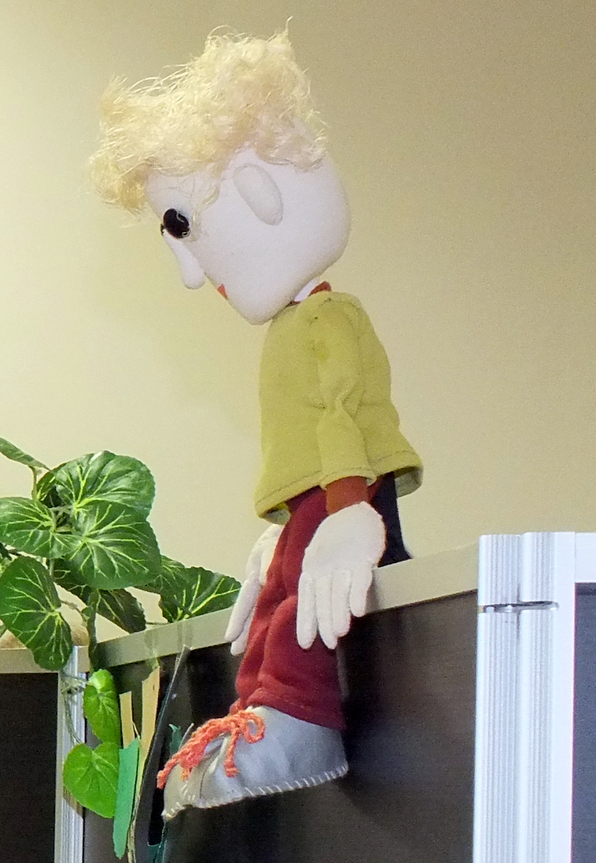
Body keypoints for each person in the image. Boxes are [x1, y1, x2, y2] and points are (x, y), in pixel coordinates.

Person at [89, 31, 422, 814]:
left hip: (341, 496)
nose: (193, 273)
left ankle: (300, 716)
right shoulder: (294, 327)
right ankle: (258, 709)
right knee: (277, 604)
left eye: (184, 232)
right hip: (317, 500)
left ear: (260, 193)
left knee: (302, 617)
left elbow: (340, 410)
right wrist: (286, 535)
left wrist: (349, 508)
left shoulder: (327, 319)